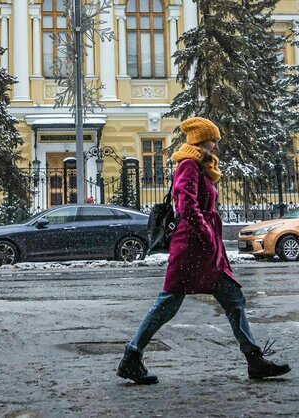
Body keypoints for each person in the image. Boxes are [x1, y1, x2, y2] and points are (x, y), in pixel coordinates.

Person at [117, 117, 290, 384]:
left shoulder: (201, 167)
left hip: (204, 248)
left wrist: (210, 239)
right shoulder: (188, 166)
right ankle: (131, 356)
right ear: (201, 141)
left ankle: (254, 359)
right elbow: (187, 205)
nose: (217, 145)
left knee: (233, 299)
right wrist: (208, 235)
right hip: (192, 247)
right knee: (168, 304)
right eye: (213, 140)